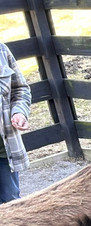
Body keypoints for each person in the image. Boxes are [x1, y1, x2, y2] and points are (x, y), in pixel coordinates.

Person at [0, 41, 31, 204]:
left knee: (11, 207)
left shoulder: (2, 50)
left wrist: (19, 111)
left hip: (4, 152)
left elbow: (20, 89)